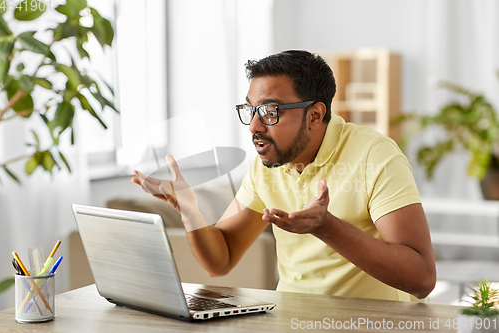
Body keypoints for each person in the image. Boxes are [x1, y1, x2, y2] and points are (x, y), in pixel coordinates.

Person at [132, 50, 436, 301]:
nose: (254, 126)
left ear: (315, 115)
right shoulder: (266, 165)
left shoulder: (375, 155)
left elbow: (421, 278)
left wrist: (327, 227)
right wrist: (191, 212)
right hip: (290, 321)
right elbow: (221, 259)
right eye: (250, 110)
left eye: (270, 112)